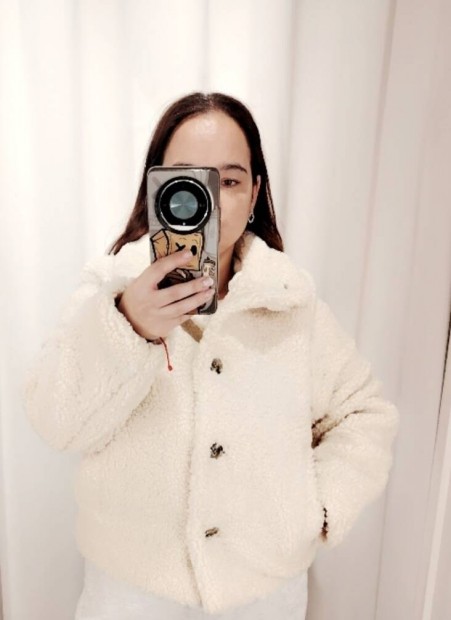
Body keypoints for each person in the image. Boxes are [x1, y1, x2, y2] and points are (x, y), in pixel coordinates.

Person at [23, 92, 400, 619]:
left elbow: (364, 413)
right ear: (156, 188)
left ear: (255, 193)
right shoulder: (108, 288)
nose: (209, 200)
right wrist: (127, 325)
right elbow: (55, 422)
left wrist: (314, 509)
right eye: (188, 179)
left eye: (230, 181)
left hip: (264, 596)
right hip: (130, 596)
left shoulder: (292, 303)